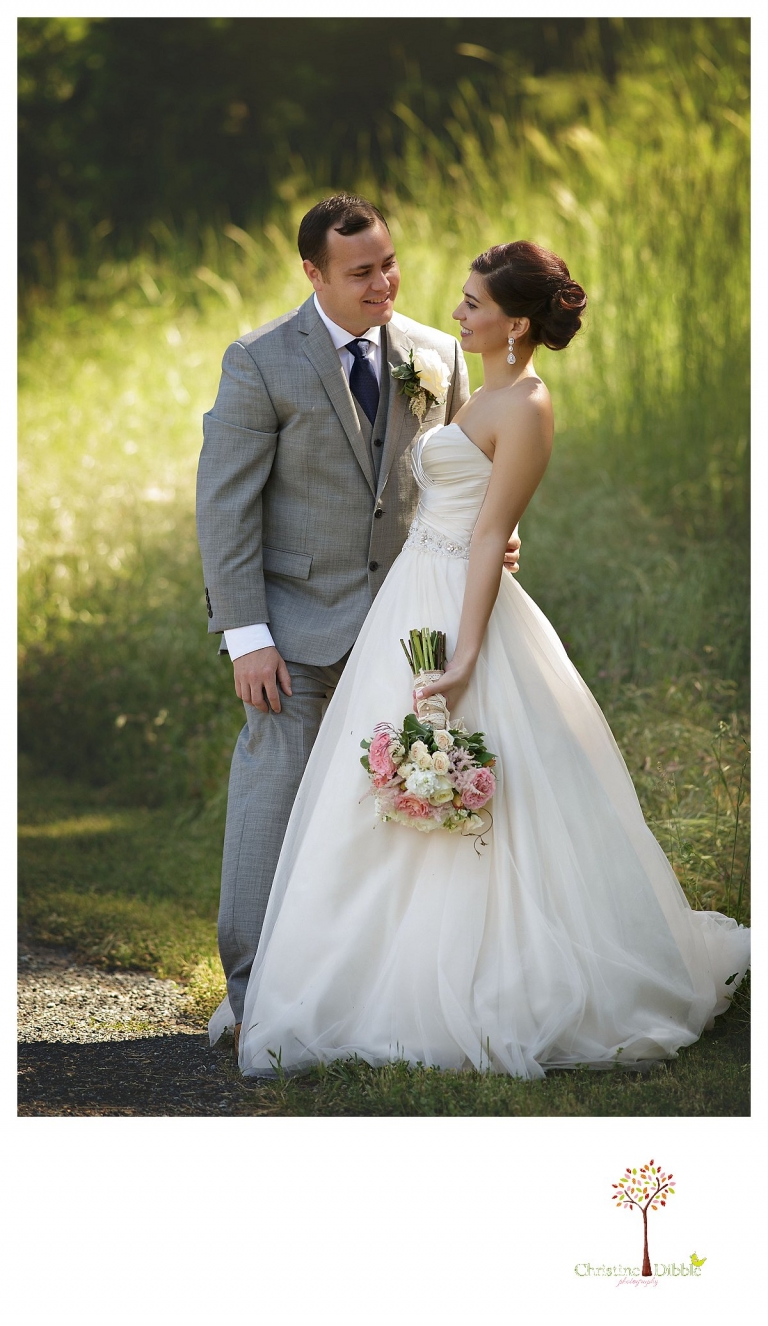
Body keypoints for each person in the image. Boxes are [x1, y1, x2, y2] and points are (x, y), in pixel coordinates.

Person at [224, 239, 749, 1079]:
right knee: (373, 790)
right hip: (413, 592)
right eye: (463, 300)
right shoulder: (482, 387)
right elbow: (475, 509)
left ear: (512, 323)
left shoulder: (527, 403)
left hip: (455, 609)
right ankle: (347, 970)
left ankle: (467, 978)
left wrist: (466, 654)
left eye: (473, 303)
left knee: (472, 782)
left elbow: (483, 530)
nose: (456, 311)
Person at [196, 195, 522, 1053]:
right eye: (360, 272)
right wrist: (246, 635)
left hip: (407, 626)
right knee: (273, 799)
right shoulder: (260, 362)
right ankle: (254, 994)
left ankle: (358, 988)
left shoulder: (434, 350)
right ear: (313, 274)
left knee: (383, 818)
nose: (384, 283)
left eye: (388, 264)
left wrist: (499, 531)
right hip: (292, 633)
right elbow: (225, 506)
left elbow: (466, 466)